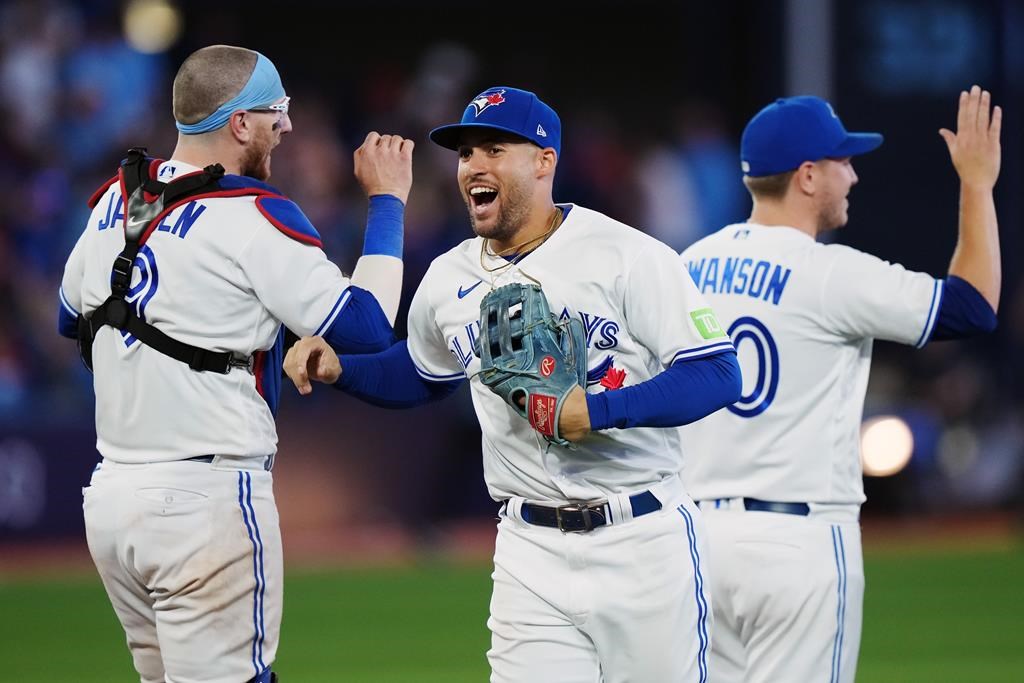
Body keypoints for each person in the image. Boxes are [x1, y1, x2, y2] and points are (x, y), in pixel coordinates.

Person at [283, 86, 742, 682]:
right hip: (529, 549)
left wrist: (597, 412)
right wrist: (342, 369)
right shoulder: (449, 277)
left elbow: (715, 372)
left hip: (642, 538)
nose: (473, 165)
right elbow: (421, 374)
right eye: (465, 153)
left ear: (545, 161)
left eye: (494, 149)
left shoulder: (629, 255)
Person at [57, 45, 413, 683]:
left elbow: (72, 317)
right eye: (278, 112)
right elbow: (366, 328)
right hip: (205, 500)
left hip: (113, 501)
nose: (289, 126)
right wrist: (387, 201)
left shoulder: (117, 200)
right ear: (240, 123)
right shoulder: (252, 214)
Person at [679, 87, 1002, 683]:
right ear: (806, 176)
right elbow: (973, 307)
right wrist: (978, 185)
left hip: (694, 544)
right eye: (842, 162)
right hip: (796, 542)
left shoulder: (688, 265)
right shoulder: (829, 273)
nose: (852, 176)